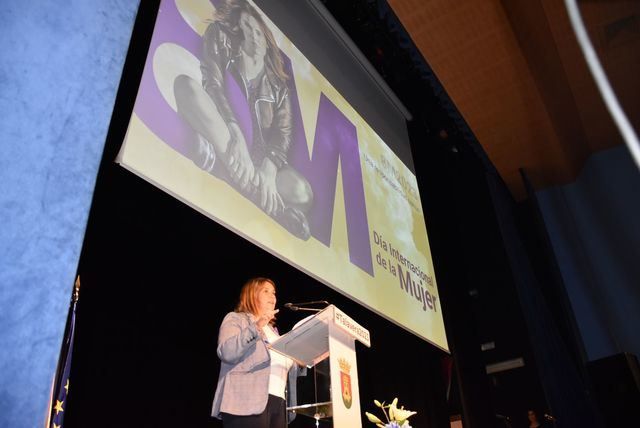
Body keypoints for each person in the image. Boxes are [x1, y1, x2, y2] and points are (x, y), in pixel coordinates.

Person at [174, 0, 313, 240]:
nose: (254, 36)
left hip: (257, 161)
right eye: (248, 27)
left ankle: (223, 168)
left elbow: (282, 134)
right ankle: (268, 203)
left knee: (303, 193)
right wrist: (235, 132)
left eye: (259, 31)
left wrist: (268, 171)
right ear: (238, 28)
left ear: (268, 40)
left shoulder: (278, 87)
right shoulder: (221, 39)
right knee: (185, 87)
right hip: (226, 133)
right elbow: (213, 85)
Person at [211, 277, 301, 427]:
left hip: (279, 405)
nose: (272, 296)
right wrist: (256, 327)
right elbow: (227, 352)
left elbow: (286, 369)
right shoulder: (236, 319)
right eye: (266, 291)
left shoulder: (275, 334)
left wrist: (304, 357)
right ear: (252, 295)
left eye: (274, 292)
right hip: (245, 403)